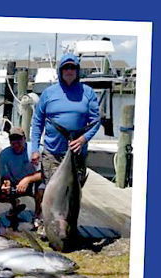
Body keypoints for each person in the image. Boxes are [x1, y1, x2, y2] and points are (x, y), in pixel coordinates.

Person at [28, 53, 100, 229]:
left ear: (77, 71)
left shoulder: (88, 93)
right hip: (52, 153)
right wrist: (35, 148)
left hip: (76, 154)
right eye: (66, 68)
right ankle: (47, 224)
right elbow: (37, 123)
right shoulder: (48, 93)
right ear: (60, 71)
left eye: (72, 68)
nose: (69, 71)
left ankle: (68, 227)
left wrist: (83, 139)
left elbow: (96, 122)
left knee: (73, 194)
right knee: (51, 193)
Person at [0, 126, 43, 223]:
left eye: (19, 140)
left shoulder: (35, 150)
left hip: (33, 184)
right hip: (16, 184)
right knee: (0, 194)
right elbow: (5, 176)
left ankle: (38, 215)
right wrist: (6, 183)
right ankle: (15, 205)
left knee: (42, 188)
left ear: (25, 139)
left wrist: (27, 180)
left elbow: (46, 174)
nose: (16, 144)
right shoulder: (4, 154)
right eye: (13, 141)